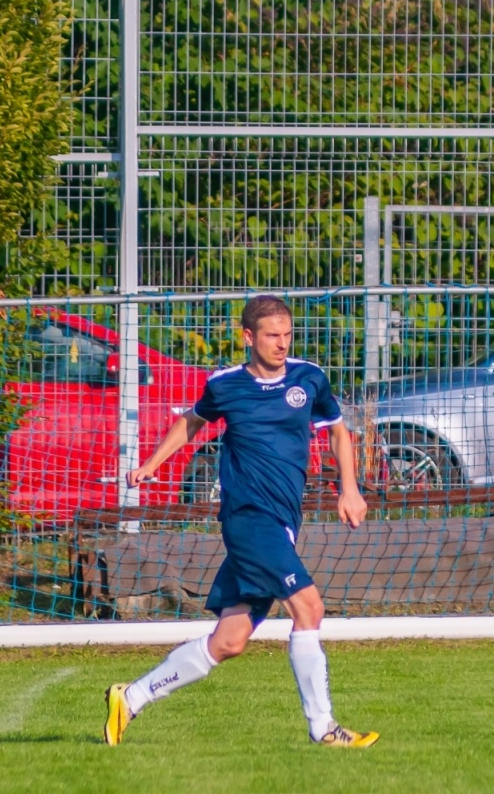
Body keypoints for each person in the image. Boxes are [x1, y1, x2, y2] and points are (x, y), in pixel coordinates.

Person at [103, 295, 378, 748]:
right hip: (249, 520)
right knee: (309, 608)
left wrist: (350, 488)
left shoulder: (308, 379)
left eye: (288, 334)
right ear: (248, 337)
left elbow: (337, 430)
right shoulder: (226, 384)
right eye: (272, 335)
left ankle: (130, 697)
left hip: (284, 521)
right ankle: (324, 728)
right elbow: (192, 423)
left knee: (228, 641)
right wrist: (153, 463)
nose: (282, 344)